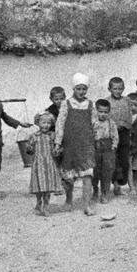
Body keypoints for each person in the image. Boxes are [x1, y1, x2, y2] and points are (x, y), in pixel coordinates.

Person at [54, 73, 97, 216]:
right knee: (69, 176)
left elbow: (95, 124)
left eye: (84, 89)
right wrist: (58, 143)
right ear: (73, 88)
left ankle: (86, 205)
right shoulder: (66, 104)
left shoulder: (91, 105)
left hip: (86, 144)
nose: (81, 92)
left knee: (88, 175)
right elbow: (60, 124)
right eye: (78, 89)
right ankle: (68, 199)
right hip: (70, 144)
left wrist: (96, 140)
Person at [26, 113, 63, 216]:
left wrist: (58, 150)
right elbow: (29, 150)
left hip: (50, 164)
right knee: (39, 186)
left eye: (49, 123)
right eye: (43, 122)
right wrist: (29, 148)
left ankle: (46, 206)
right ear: (38, 123)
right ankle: (38, 203)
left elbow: (58, 148)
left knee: (47, 186)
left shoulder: (53, 135)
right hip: (38, 164)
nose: (46, 125)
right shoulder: (33, 136)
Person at [105, 77, 132, 196]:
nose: (117, 91)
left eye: (120, 88)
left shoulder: (127, 100)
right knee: (113, 160)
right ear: (109, 89)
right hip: (111, 135)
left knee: (124, 159)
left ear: (124, 88)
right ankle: (115, 185)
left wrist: (126, 126)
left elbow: (130, 115)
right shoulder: (107, 101)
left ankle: (121, 183)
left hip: (124, 133)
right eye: (115, 88)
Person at [91, 99, 118, 203]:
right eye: (101, 111)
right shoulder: (93, 122)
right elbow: (89, 135)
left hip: (107, 148)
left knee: (107, 172)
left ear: (109, 112)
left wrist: (114, 146)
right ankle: (95, 190)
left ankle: (105, 193)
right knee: (95, 171)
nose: (103, 114)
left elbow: (115, 136)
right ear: (96, 111)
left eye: (106, 112)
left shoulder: (111, 123)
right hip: (95, 148)